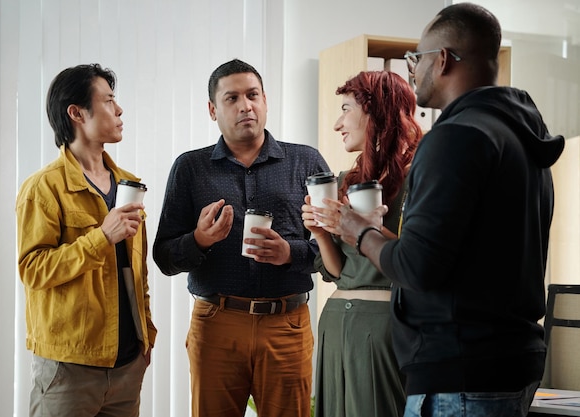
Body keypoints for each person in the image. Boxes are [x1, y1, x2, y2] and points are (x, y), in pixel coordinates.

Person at [323, 3, 566, 417]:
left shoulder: (454, 139)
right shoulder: (521, 140)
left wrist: (361, 232)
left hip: (461, 375)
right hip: (510, 363)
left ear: (443, 60)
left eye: (416, 59)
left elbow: (418, 266)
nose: (412, 70)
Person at [153, 58, 330, 417]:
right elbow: (164, 257)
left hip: (287, 324)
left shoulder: (306, 162)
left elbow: (334, 252)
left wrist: (289, 253)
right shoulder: (190, 167)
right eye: (231, 98)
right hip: (217, 322)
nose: (245, 106)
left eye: (252, 95)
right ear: (212, 109)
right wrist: (200, 239)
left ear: (266, 100)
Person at [16, 63, 157, 417]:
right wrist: (100, 237)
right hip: (68, 369)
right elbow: (33, 270)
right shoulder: (44, 187)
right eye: (109, 101)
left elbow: (134, 269)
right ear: (77, 113)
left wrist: (147, 334)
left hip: (127, 365)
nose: (119, 110)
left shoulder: (129, 184)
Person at [303, 70, 422, 417]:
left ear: (377, 111)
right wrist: (322, 232)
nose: (338, 123)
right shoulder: (345, 181)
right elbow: (338, 271)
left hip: (382, 323)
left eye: (346, 109)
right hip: (335, 321)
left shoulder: (417, 176)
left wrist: (365, 229)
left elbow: (418, 259)